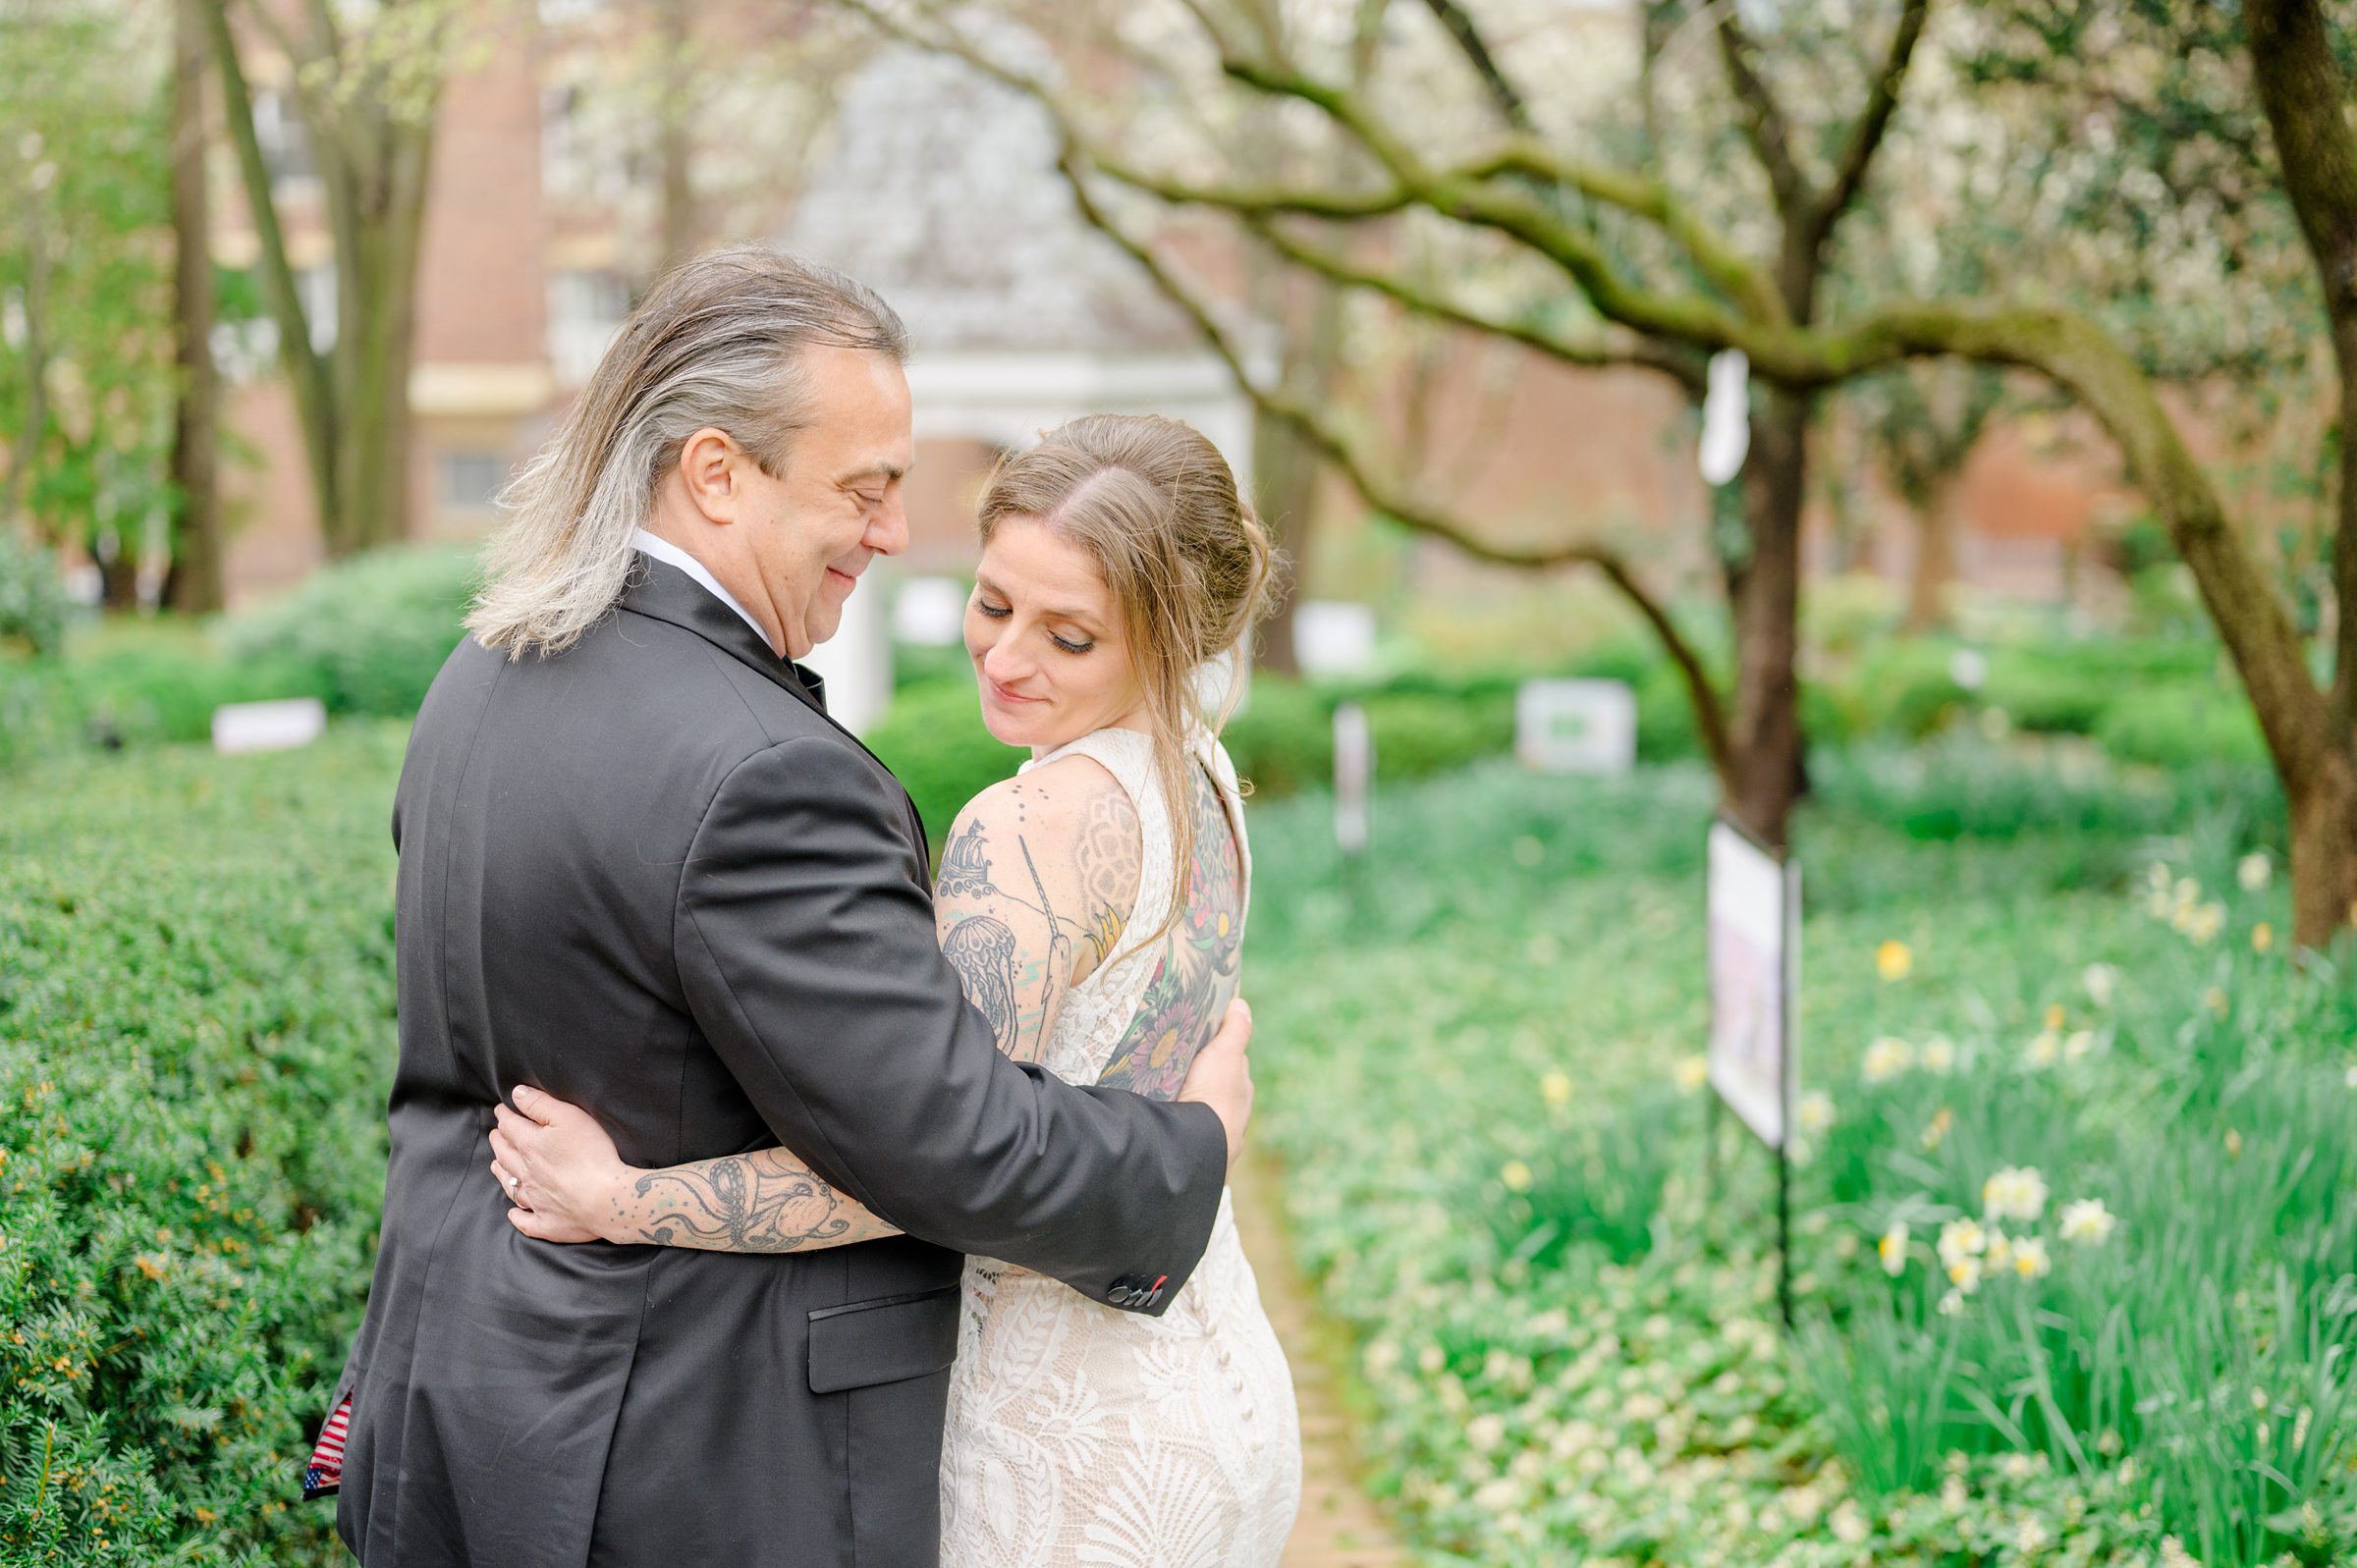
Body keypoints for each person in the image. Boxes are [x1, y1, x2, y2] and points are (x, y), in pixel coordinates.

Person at [312, 247, 1256, 1568]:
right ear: (716, 473)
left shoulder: (478, 676)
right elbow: (951, 1141)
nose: (891, 533)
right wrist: (1192, 1145)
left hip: (463, 1402)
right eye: (865, 490)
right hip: (689, 1461)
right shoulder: (765, 774)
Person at [489, 413, 1305, 1565]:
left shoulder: (1028, 828)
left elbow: (922, 1167)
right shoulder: (1207, 775)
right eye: (992, 602)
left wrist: (620, 1198)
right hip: (1220, 1379)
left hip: (1069, 1445)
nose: (1007, 656)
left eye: (1069, 637)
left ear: (1167, 646)